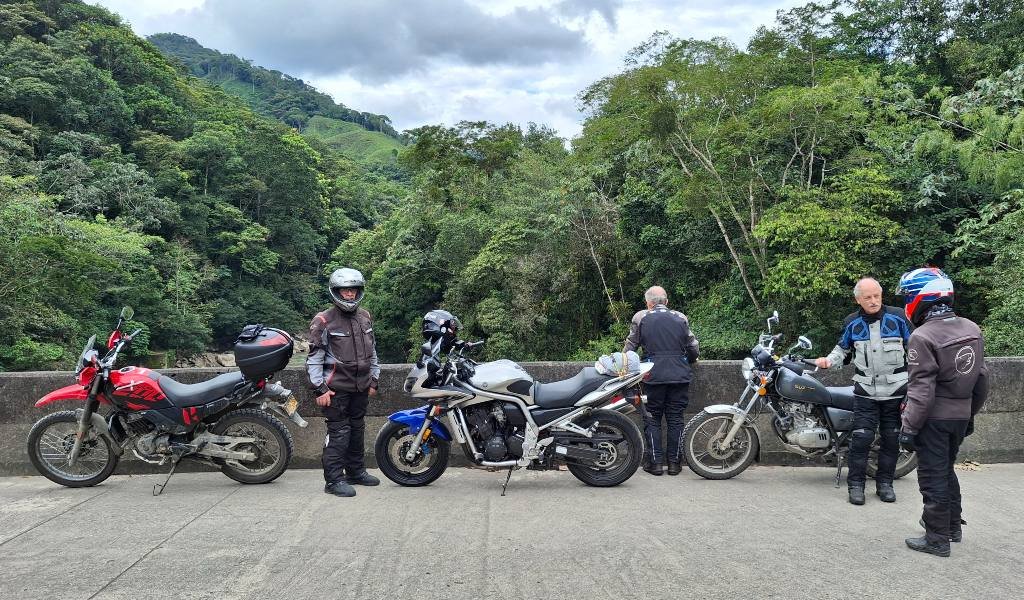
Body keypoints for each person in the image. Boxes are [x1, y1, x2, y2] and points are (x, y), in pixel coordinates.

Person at [897, 267, 988, 557]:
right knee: (946, 470)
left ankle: (936, 539)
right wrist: (969, 414)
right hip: (960, 416)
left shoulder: (922, 337)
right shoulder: (971, 328)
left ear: (921, 298)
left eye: (908, 296)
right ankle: (952, 527)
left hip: (933, 420)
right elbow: (982, 380)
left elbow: (921, 391)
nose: (905, 302)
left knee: (932, 476)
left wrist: (909, 429)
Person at [813, 277, 912, 505]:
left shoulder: (898, 318)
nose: (873, 301)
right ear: (858, 300)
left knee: (890, 439)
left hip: (896, 392)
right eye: (867, 297)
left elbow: (916, 349)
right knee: (861, 439)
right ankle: (855, 486)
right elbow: (843, 351)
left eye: (876, 296)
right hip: (865, 392)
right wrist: (828, 361)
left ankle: (885, 484)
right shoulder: (852, 322)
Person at [306, 267, 381, 497]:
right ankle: (333, 480)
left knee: (357, 429)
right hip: (336, 389)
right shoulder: (323, 321)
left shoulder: (365, 316)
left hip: (360, 386)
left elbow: (373, 352)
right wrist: (320, 388)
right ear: (336, 292)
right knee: (338, 433)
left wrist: (374, 380)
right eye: (345, 291)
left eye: (353, 290)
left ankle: (356, 472)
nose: (349, 295)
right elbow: (314, 360)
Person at [624, 286, 699, 476]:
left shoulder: (641, 317)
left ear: (648, 303)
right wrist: (685, 360)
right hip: (679, 376)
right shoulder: (681, 317)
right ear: (666, 301)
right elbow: (693, 348)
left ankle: (655, 463)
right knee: (675, 418)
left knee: (652, 418)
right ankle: (674, 463)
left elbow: (630, 348)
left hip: (652, 375)